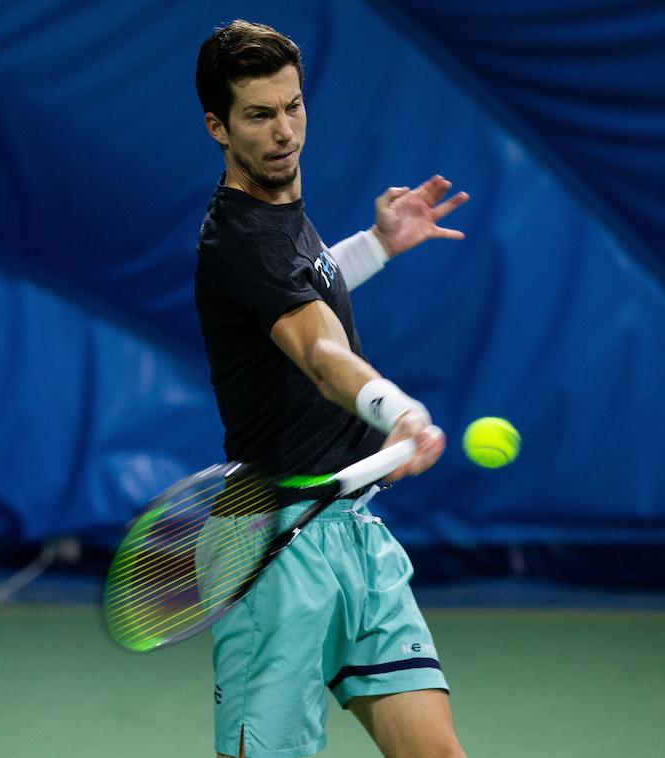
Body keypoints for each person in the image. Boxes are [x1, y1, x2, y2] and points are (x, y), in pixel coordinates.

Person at [194, 20, 469, 758]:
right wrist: (397, 409)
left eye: (293, 106)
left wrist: (376, 245)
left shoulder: (280, 223)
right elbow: (320, 351)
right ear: (218, 126)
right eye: (259, 114)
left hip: (351, 528)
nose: (284, 131)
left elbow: (306, 287)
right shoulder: (243, 238)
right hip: (272, 545)